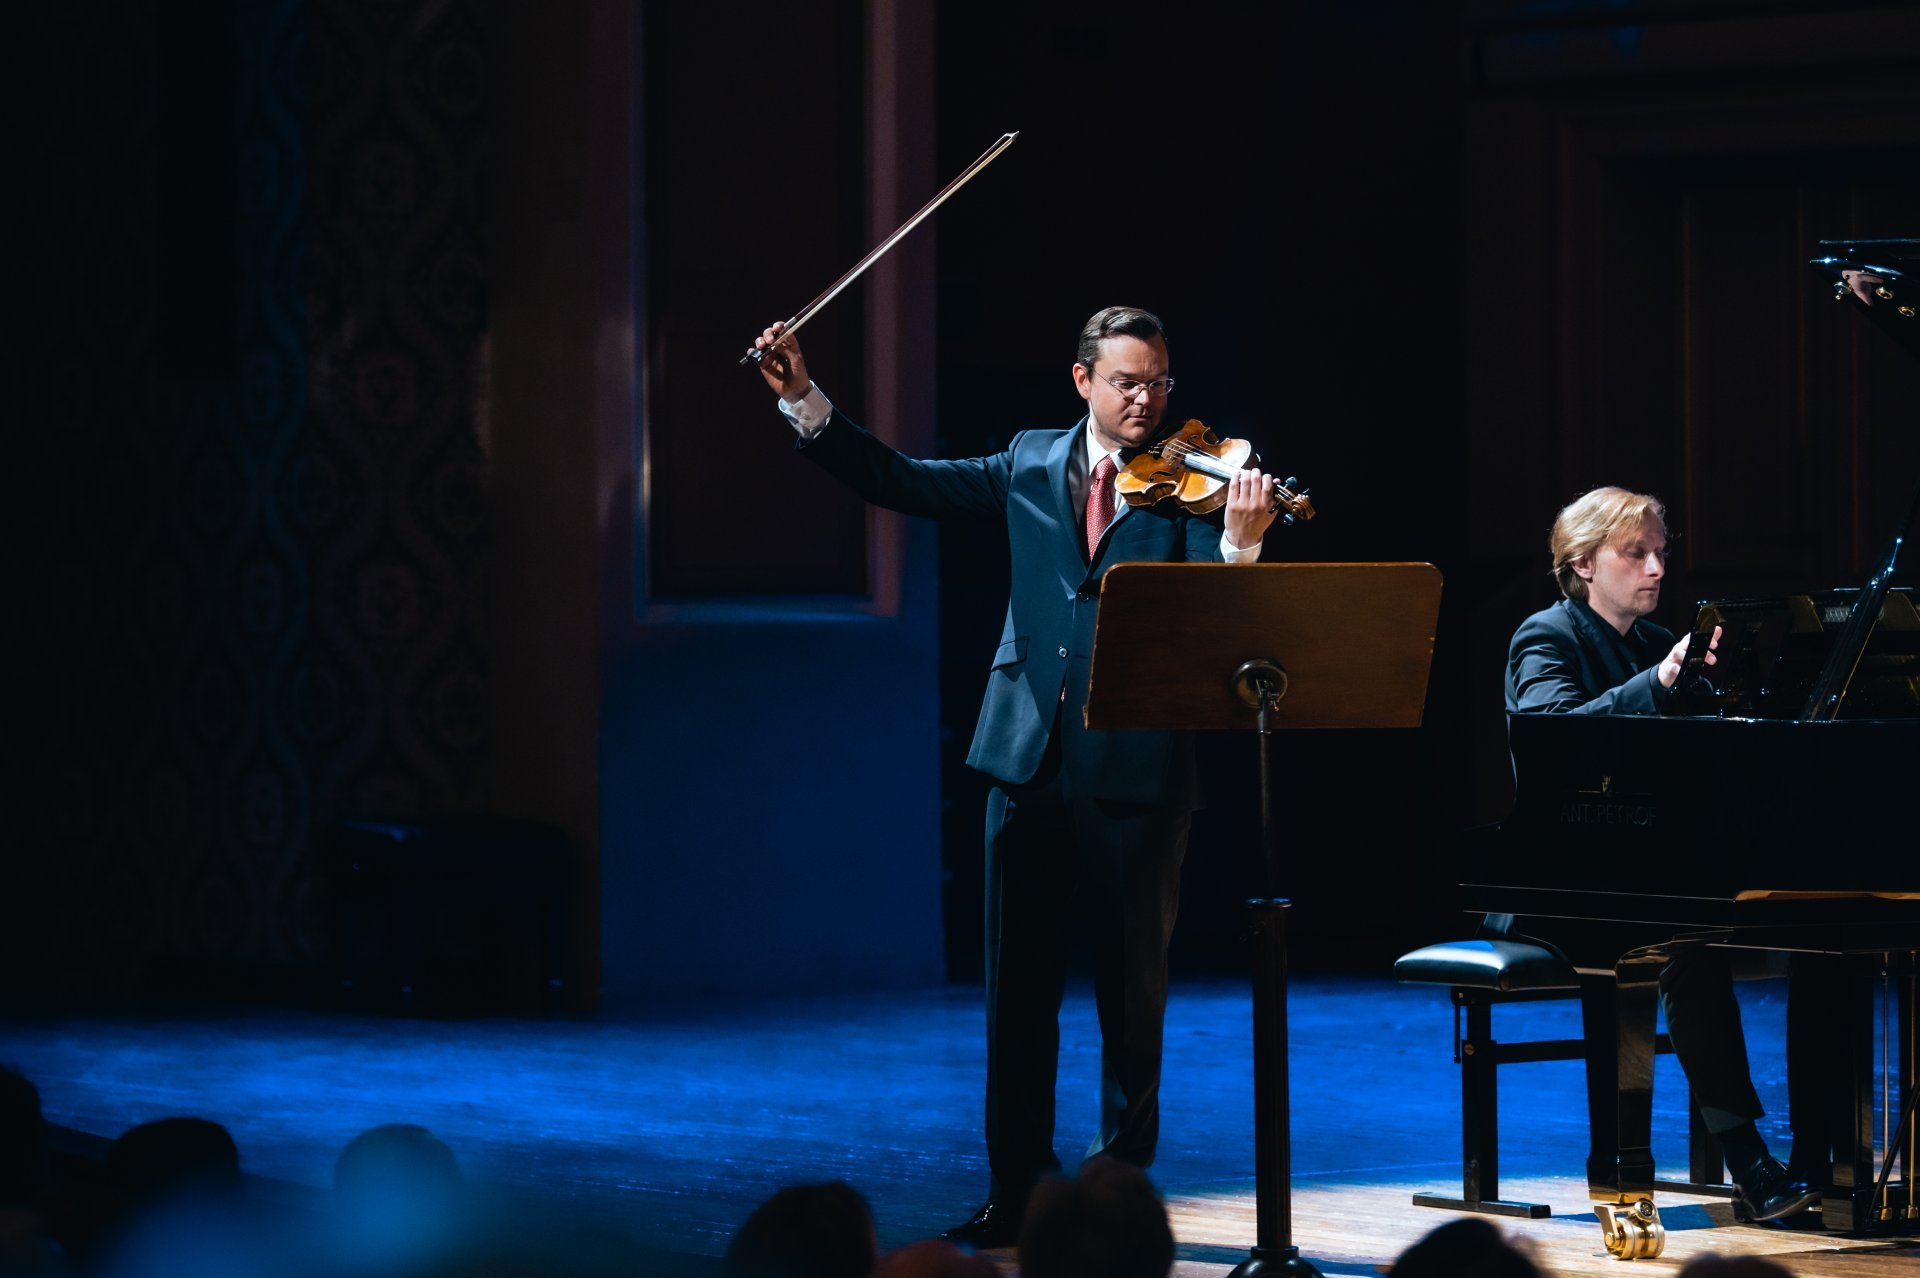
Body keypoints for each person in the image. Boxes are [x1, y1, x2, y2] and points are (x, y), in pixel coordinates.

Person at [755, 306, 1283, 1248]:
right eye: (1127, 382)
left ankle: (1116, 1196)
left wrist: (1240, 542)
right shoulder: (1029, 461)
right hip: (1025, 756)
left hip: (1138, 764)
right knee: (1017, 994)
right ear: (1083, 380)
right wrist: (805, 399)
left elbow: (1218, 628)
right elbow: (901, 479)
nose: (1146, 400)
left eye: (1159, 382)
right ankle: (1016, 1193)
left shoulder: (1195, 488)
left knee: (1133, 995)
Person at [1504, 486, 1819, 1225]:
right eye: (1636, 553)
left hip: (1652, 867)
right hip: (1561, 878)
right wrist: (1663, 682)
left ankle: (1823, 1157)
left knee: (1820, 939)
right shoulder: (1545, 637)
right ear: (1584, 563)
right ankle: (1747, 1159)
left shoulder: (1653, 643)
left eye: (1661, 553)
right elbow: (1556, 744)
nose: (1656, 568)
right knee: (1684, 949)